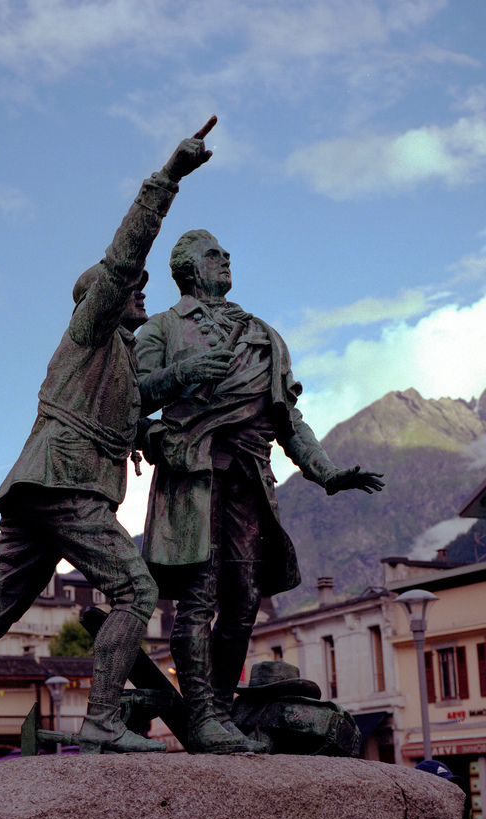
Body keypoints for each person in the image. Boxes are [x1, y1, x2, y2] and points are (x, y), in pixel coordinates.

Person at [0, 120, 219, 775]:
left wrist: (185, 381)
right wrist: (169, 177)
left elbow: (138, 404)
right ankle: (100, 722)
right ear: (103, 296)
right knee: (135, 592)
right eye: (134, 287)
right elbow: (126, 251)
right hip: (67, 485)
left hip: (39, 491)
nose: (143, 291)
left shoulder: (116, 361)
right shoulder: (91, 329)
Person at [135, 230, 383, 754]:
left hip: (251, 477)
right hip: (194, 478)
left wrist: (327, 472)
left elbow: (288, 419)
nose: (225, 258)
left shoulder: (263, 335)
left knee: (245, 601)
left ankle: (220, 712)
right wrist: (180, 379)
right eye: (212, 254)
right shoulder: (161, 330)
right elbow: (128, 403)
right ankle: (203, 715)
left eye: (226, 253)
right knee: (198, 600)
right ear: (186, 269)